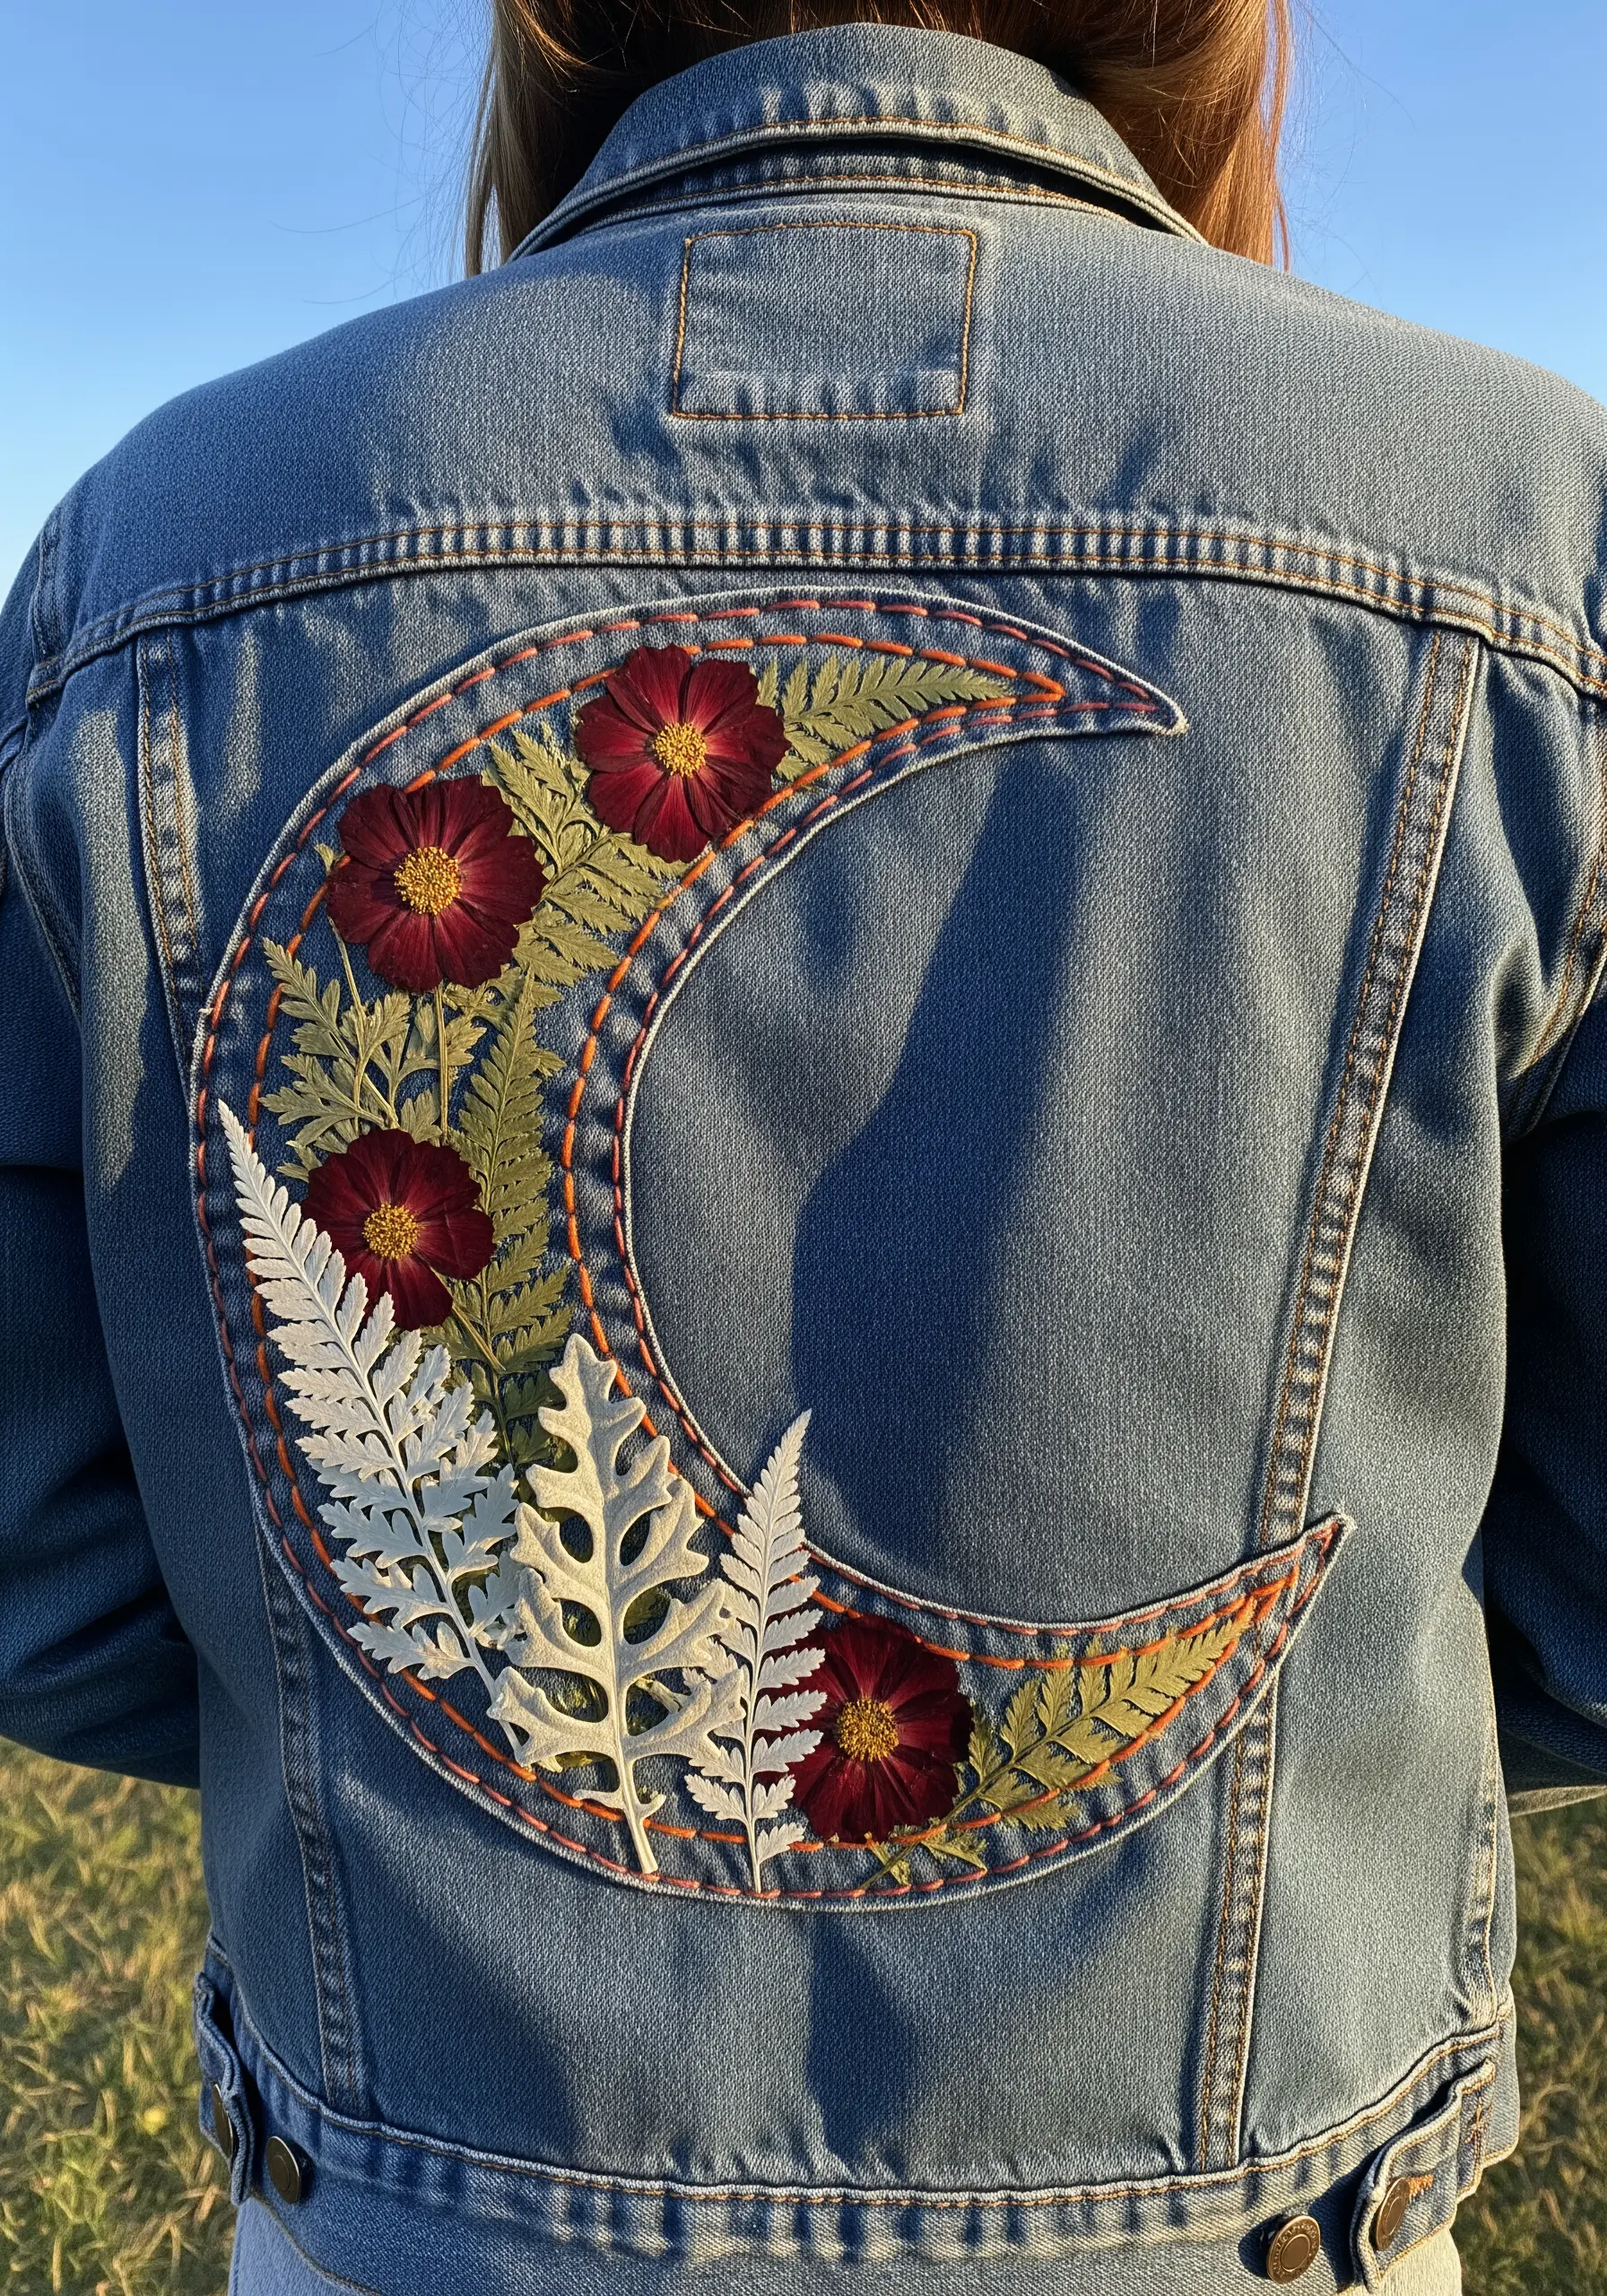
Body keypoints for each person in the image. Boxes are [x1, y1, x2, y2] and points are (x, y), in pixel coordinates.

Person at [2, 2, 1603, 2290]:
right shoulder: (1522, 544)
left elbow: (51, 1559)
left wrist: (426, 1708)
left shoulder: (150, 564)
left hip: (415, 2227)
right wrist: (1327, 1699)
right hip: (1248, 2222)